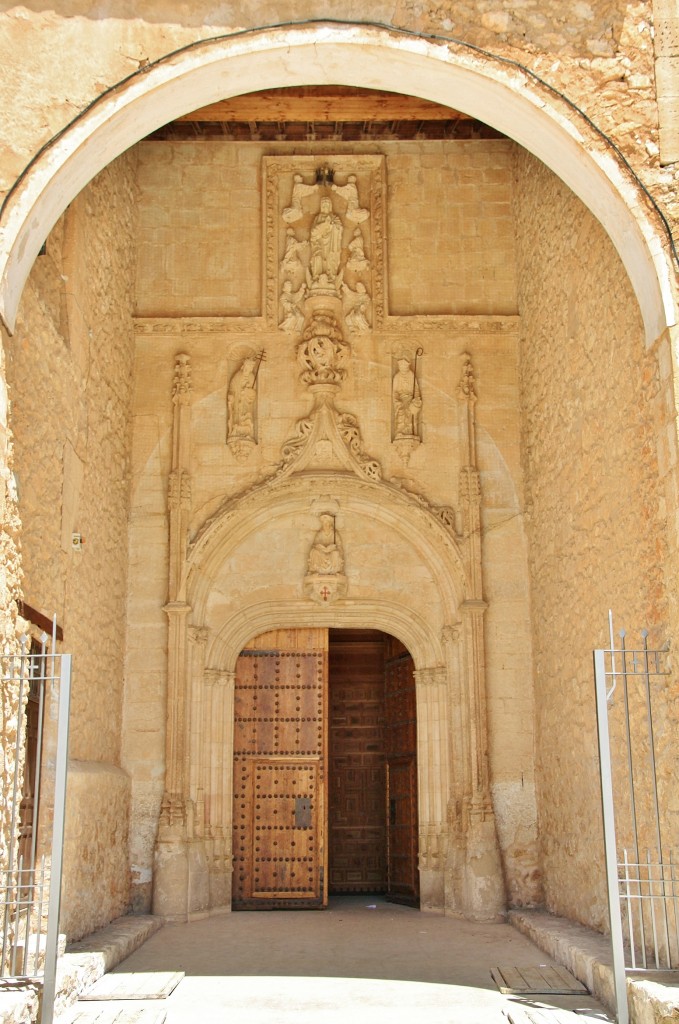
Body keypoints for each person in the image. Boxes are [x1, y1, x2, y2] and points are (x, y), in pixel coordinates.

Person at [309, 197, 343, 283]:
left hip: (331, 244)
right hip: (319, 243)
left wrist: (332, 226)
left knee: (330, 258)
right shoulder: (317, 218)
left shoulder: (334, 217)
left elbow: (339, 228)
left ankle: (331, 276)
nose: (325, 207)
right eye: (323, 205)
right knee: (318, 258)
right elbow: (313, 232)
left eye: (326, 205)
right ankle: (317, 276)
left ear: (330, 206)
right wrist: (324, 225)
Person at [227, 357, 257, 439]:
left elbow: (254, 392)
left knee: (246, 417)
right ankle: (236, 431)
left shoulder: (252, 377)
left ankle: (247, 432)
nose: (249, 370)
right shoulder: (238, 376)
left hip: (247, 404)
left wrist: (248, 391)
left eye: (250, 368)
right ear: (244, 366)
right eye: (248, 367)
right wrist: (232, 395)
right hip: (237, 401)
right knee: (237, 415)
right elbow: (232, 387)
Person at [392, 356, 422, 438]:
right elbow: (395, 392)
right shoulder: (397, 377)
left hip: (410, 399)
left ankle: (411, 433)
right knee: (401, 414)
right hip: (401, 400)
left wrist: (416, 399)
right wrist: (397, 401)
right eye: (401, 366)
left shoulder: (411, 375)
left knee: (411, 414)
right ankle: (400, 432)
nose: (402, 368)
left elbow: (416, 389)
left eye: (404, 366)